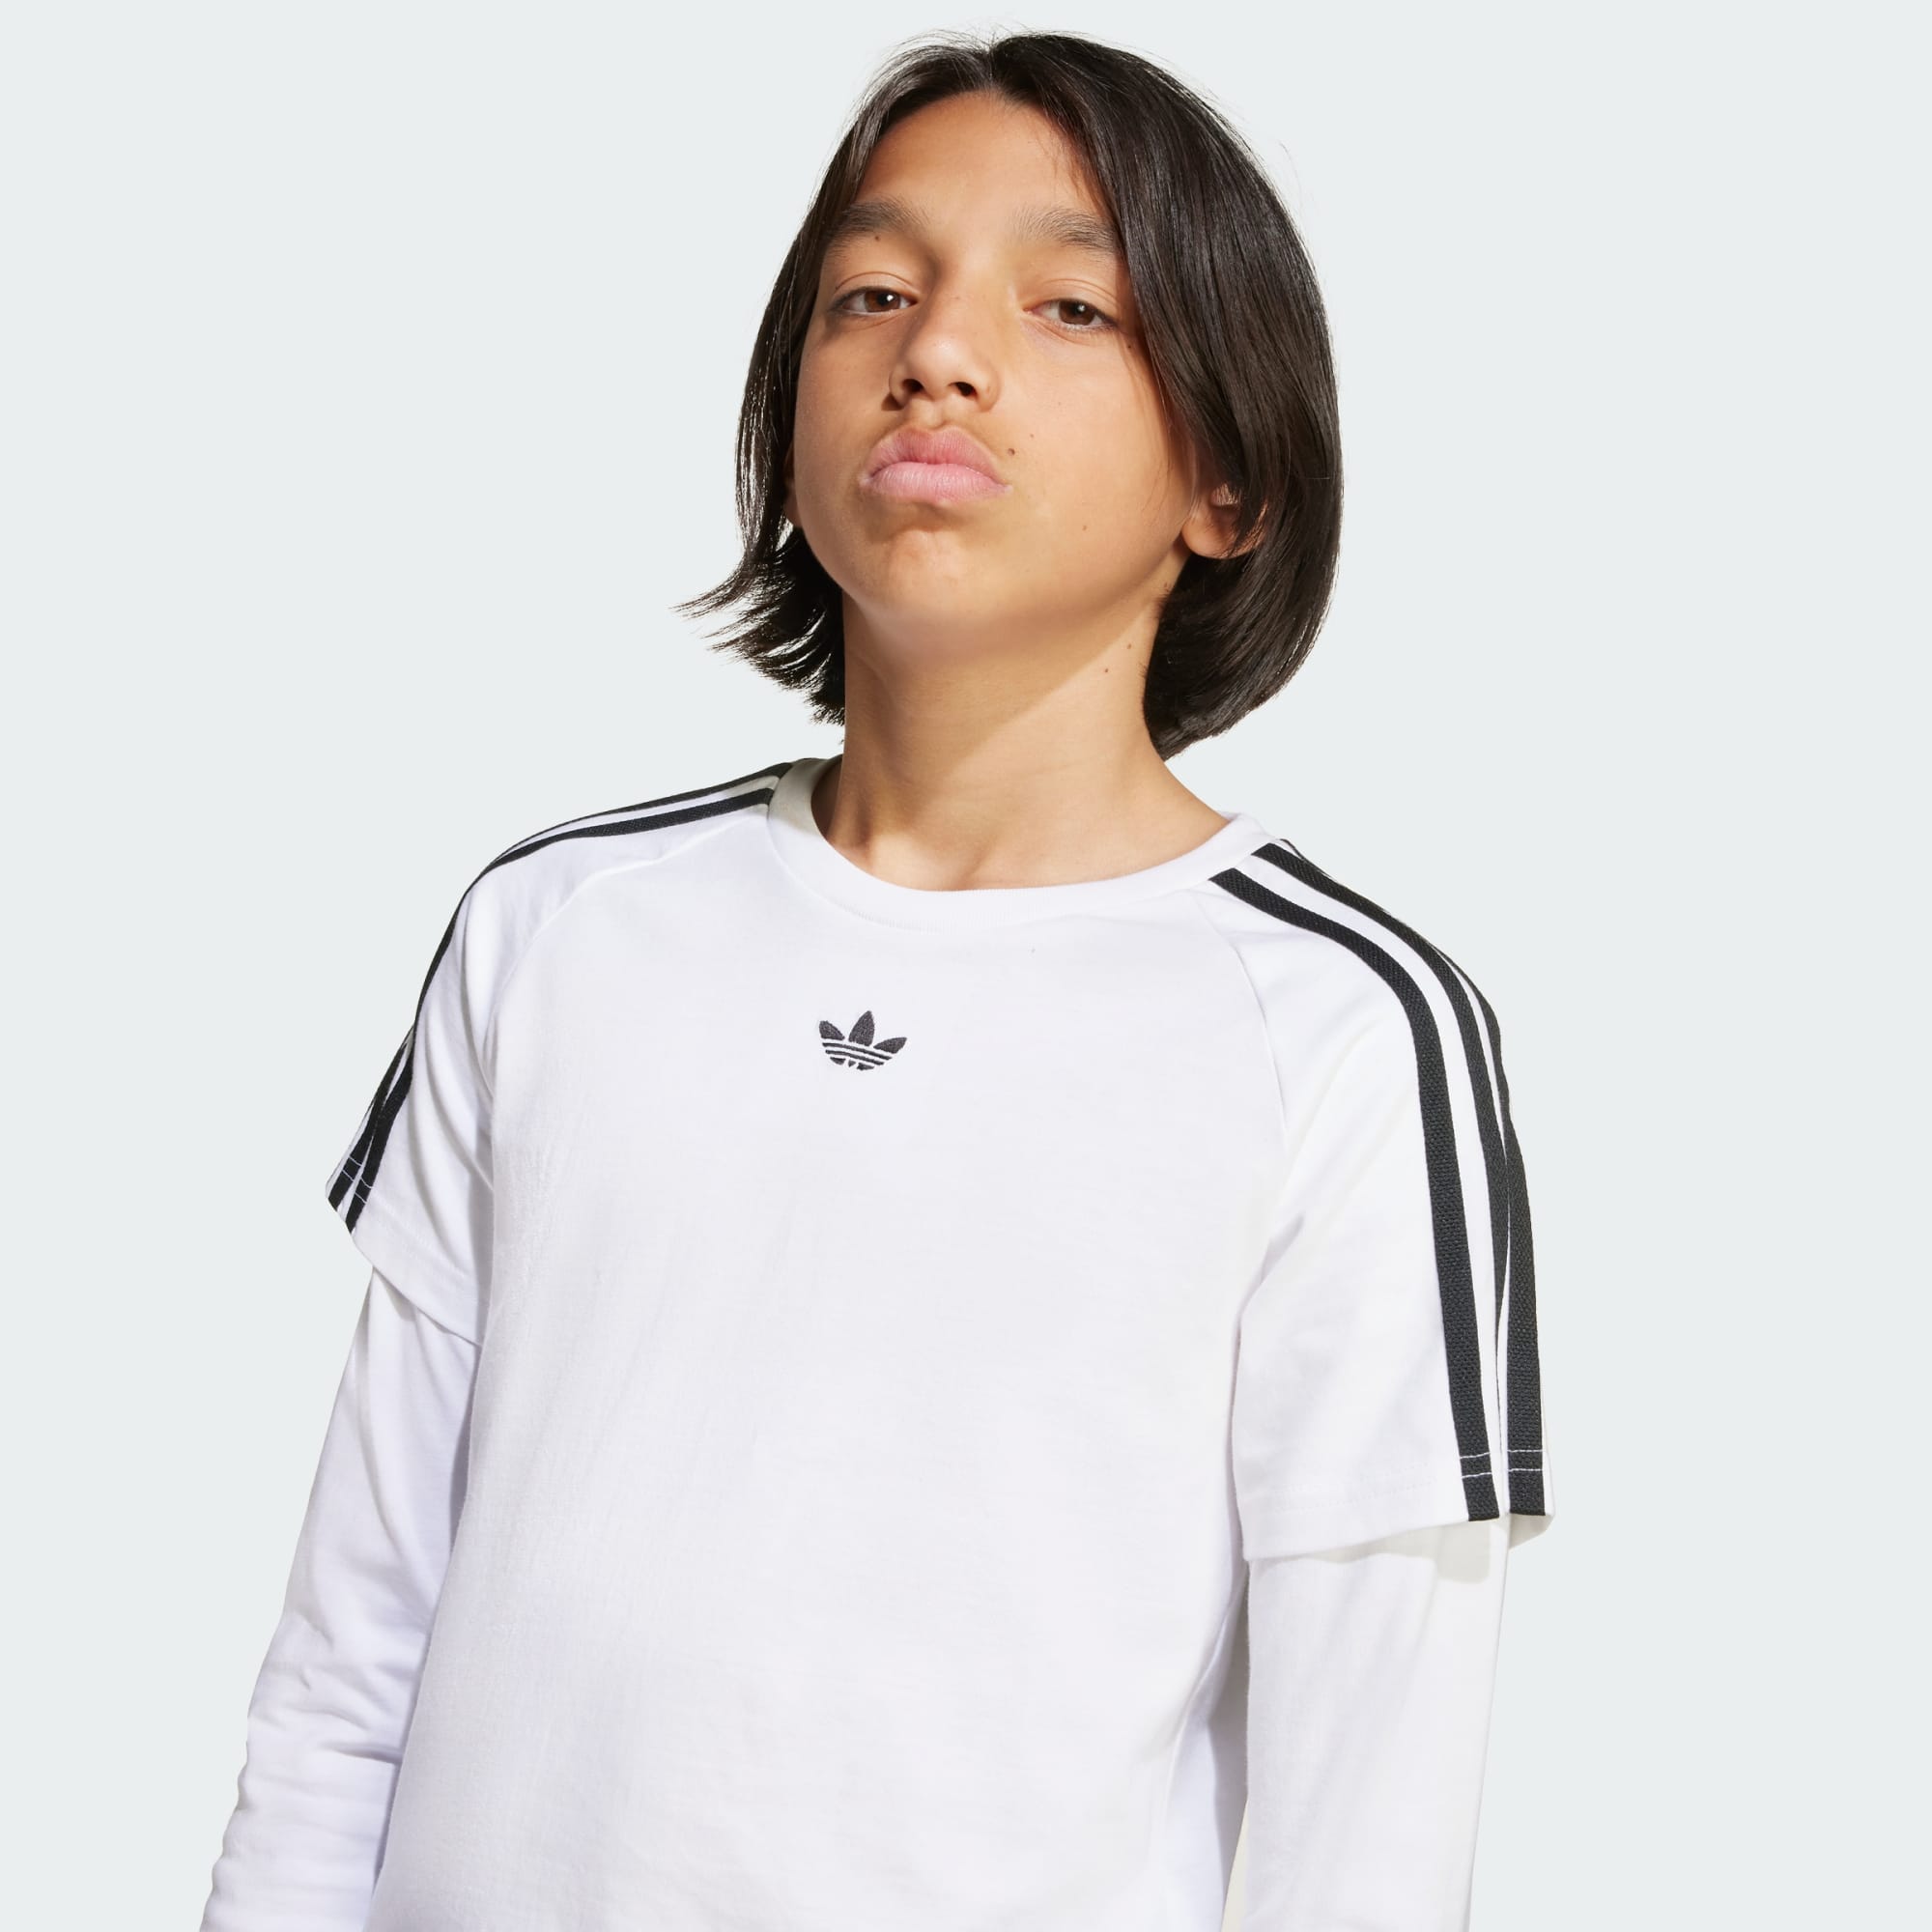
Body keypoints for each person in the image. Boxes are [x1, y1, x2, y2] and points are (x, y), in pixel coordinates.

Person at [200, 28, 1552, 1932]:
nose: (939, 352)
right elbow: (351, 1656)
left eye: (1069, 305)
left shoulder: (1343, 1029)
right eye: (873, 293)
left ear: (1231, 483)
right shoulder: (555, 928)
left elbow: (1369, 1822)